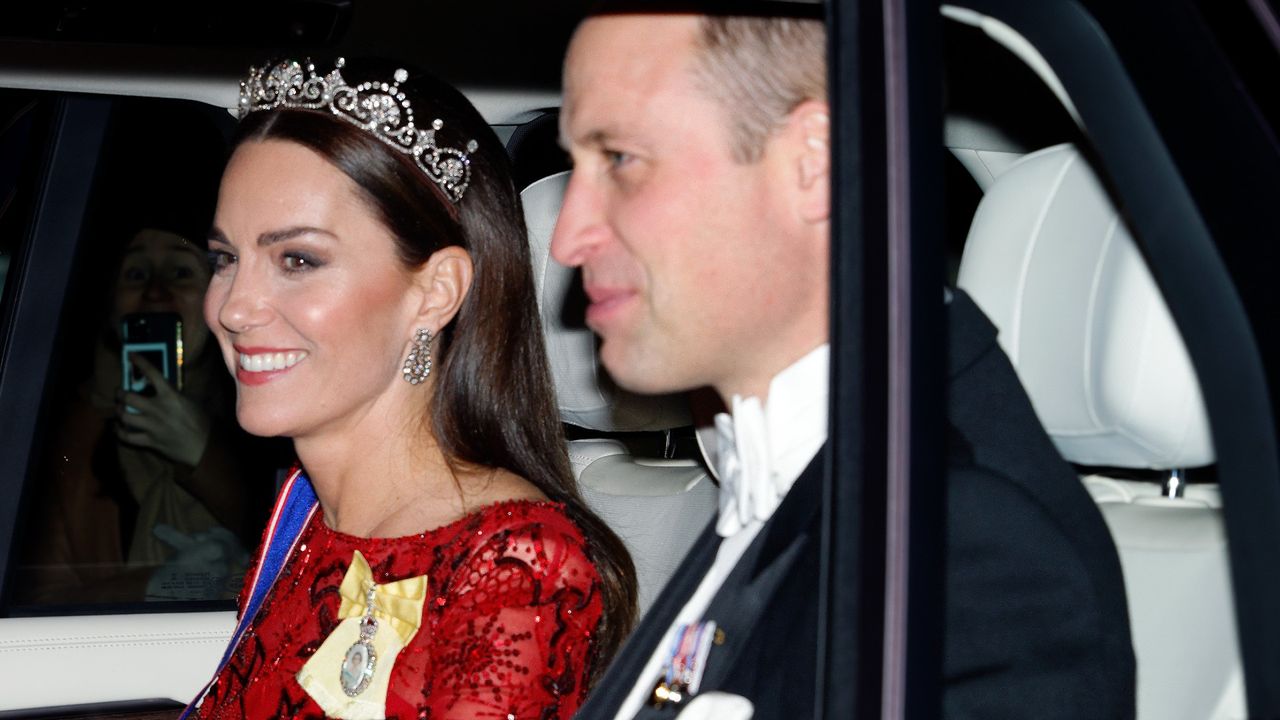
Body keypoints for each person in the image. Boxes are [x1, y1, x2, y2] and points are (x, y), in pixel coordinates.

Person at [551, 7, 1135, 720]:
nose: (567, 236)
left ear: (814, 162)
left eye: (619, 160)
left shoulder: (967, 551)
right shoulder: (796, 470)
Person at [185, 57, 637, 719]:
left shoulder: (514, 565)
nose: (233, 307)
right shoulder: (308, 516)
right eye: (227, 259)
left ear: (435, 292)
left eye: (298, 259)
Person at [17, 223, 273, 604]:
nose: (155, 292)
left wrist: (203, 454)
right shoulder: (55, 432)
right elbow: (33, 603)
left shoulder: (273, 417)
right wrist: (155, 586)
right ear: (110, 304)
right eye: (135, 274)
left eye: (182, 272)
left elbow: (301, 547)